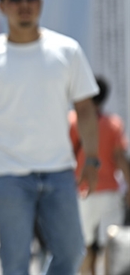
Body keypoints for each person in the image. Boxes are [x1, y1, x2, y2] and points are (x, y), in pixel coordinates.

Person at [0, 0, 100, 275]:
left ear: (41, 1)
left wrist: (91, 159)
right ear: (1, 5)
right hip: (8, 173)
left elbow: (86, 110)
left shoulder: (67, 50)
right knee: (14, 261)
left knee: (72, 251)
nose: (23, 2)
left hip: (59, 169)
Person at [69, 77, 129, 275]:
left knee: (83, 244)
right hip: (109, 191)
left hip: (82, 190)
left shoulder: (73, 121)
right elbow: (120, 158)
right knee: (111, 244)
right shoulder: (113, 123)